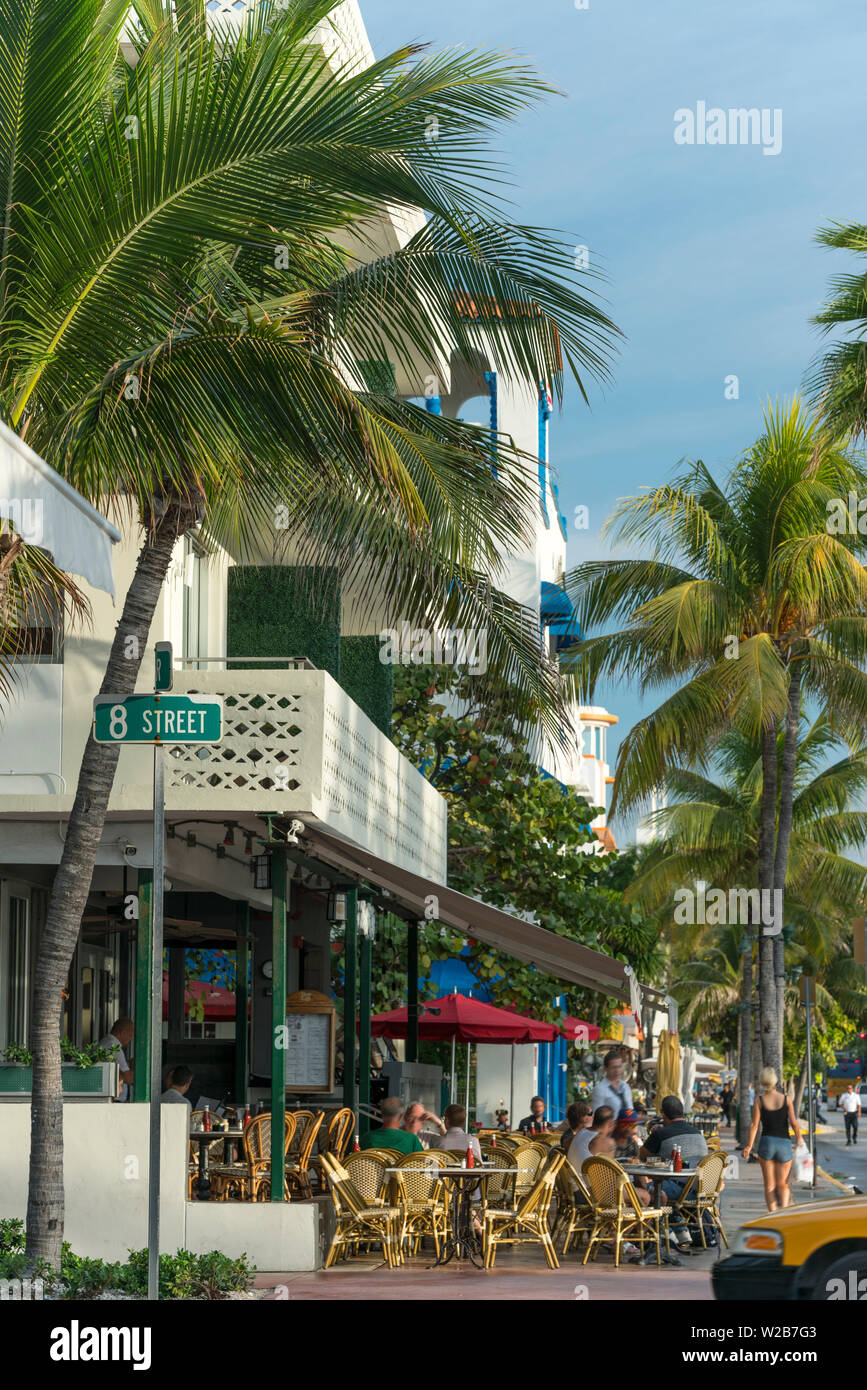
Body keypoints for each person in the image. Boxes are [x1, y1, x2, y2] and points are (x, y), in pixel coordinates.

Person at [742, 1067, 802, 1212]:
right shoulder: (786, 1099)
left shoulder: (759, 1100)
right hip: (784, 1144)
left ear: (763, 1082)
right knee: (783, 1184)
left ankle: (772, 1214)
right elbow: (794, 1122)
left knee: (769, 1185)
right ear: (775, 1081)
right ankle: (784, 1212)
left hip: (767, 1143)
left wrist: (749, 1146)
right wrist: (799, 1138)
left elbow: (754, 1125)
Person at [360, 1096, 424, 1154]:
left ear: (381, 1114)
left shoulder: (367, 1138)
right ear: (401, 1116)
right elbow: (424, 1163)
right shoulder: (411, 1140)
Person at [568, 1104, 616, 1170]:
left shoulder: (582, 1131)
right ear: (611, 1124)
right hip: (585, 1179)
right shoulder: (604, 1141)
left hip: (572, 1178)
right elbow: (612, 1170)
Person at [98, 1018, 134, 1102]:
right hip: (113, 1099)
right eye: (130, 1035)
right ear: (123, 1033)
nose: (130, 1040)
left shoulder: (105, 1042)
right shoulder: (115, 1048)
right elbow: (128, 1078)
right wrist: (132, 1066)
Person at [590, 1050, 634, 1120]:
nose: (617, 1070)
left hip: (627, 1127)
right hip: (609, 1129)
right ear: (605, 1068)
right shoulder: (600, 1089)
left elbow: (630, 1110)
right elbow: (596, 1116)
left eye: (619, 1067)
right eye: (614, 1067)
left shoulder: (625, 1087)